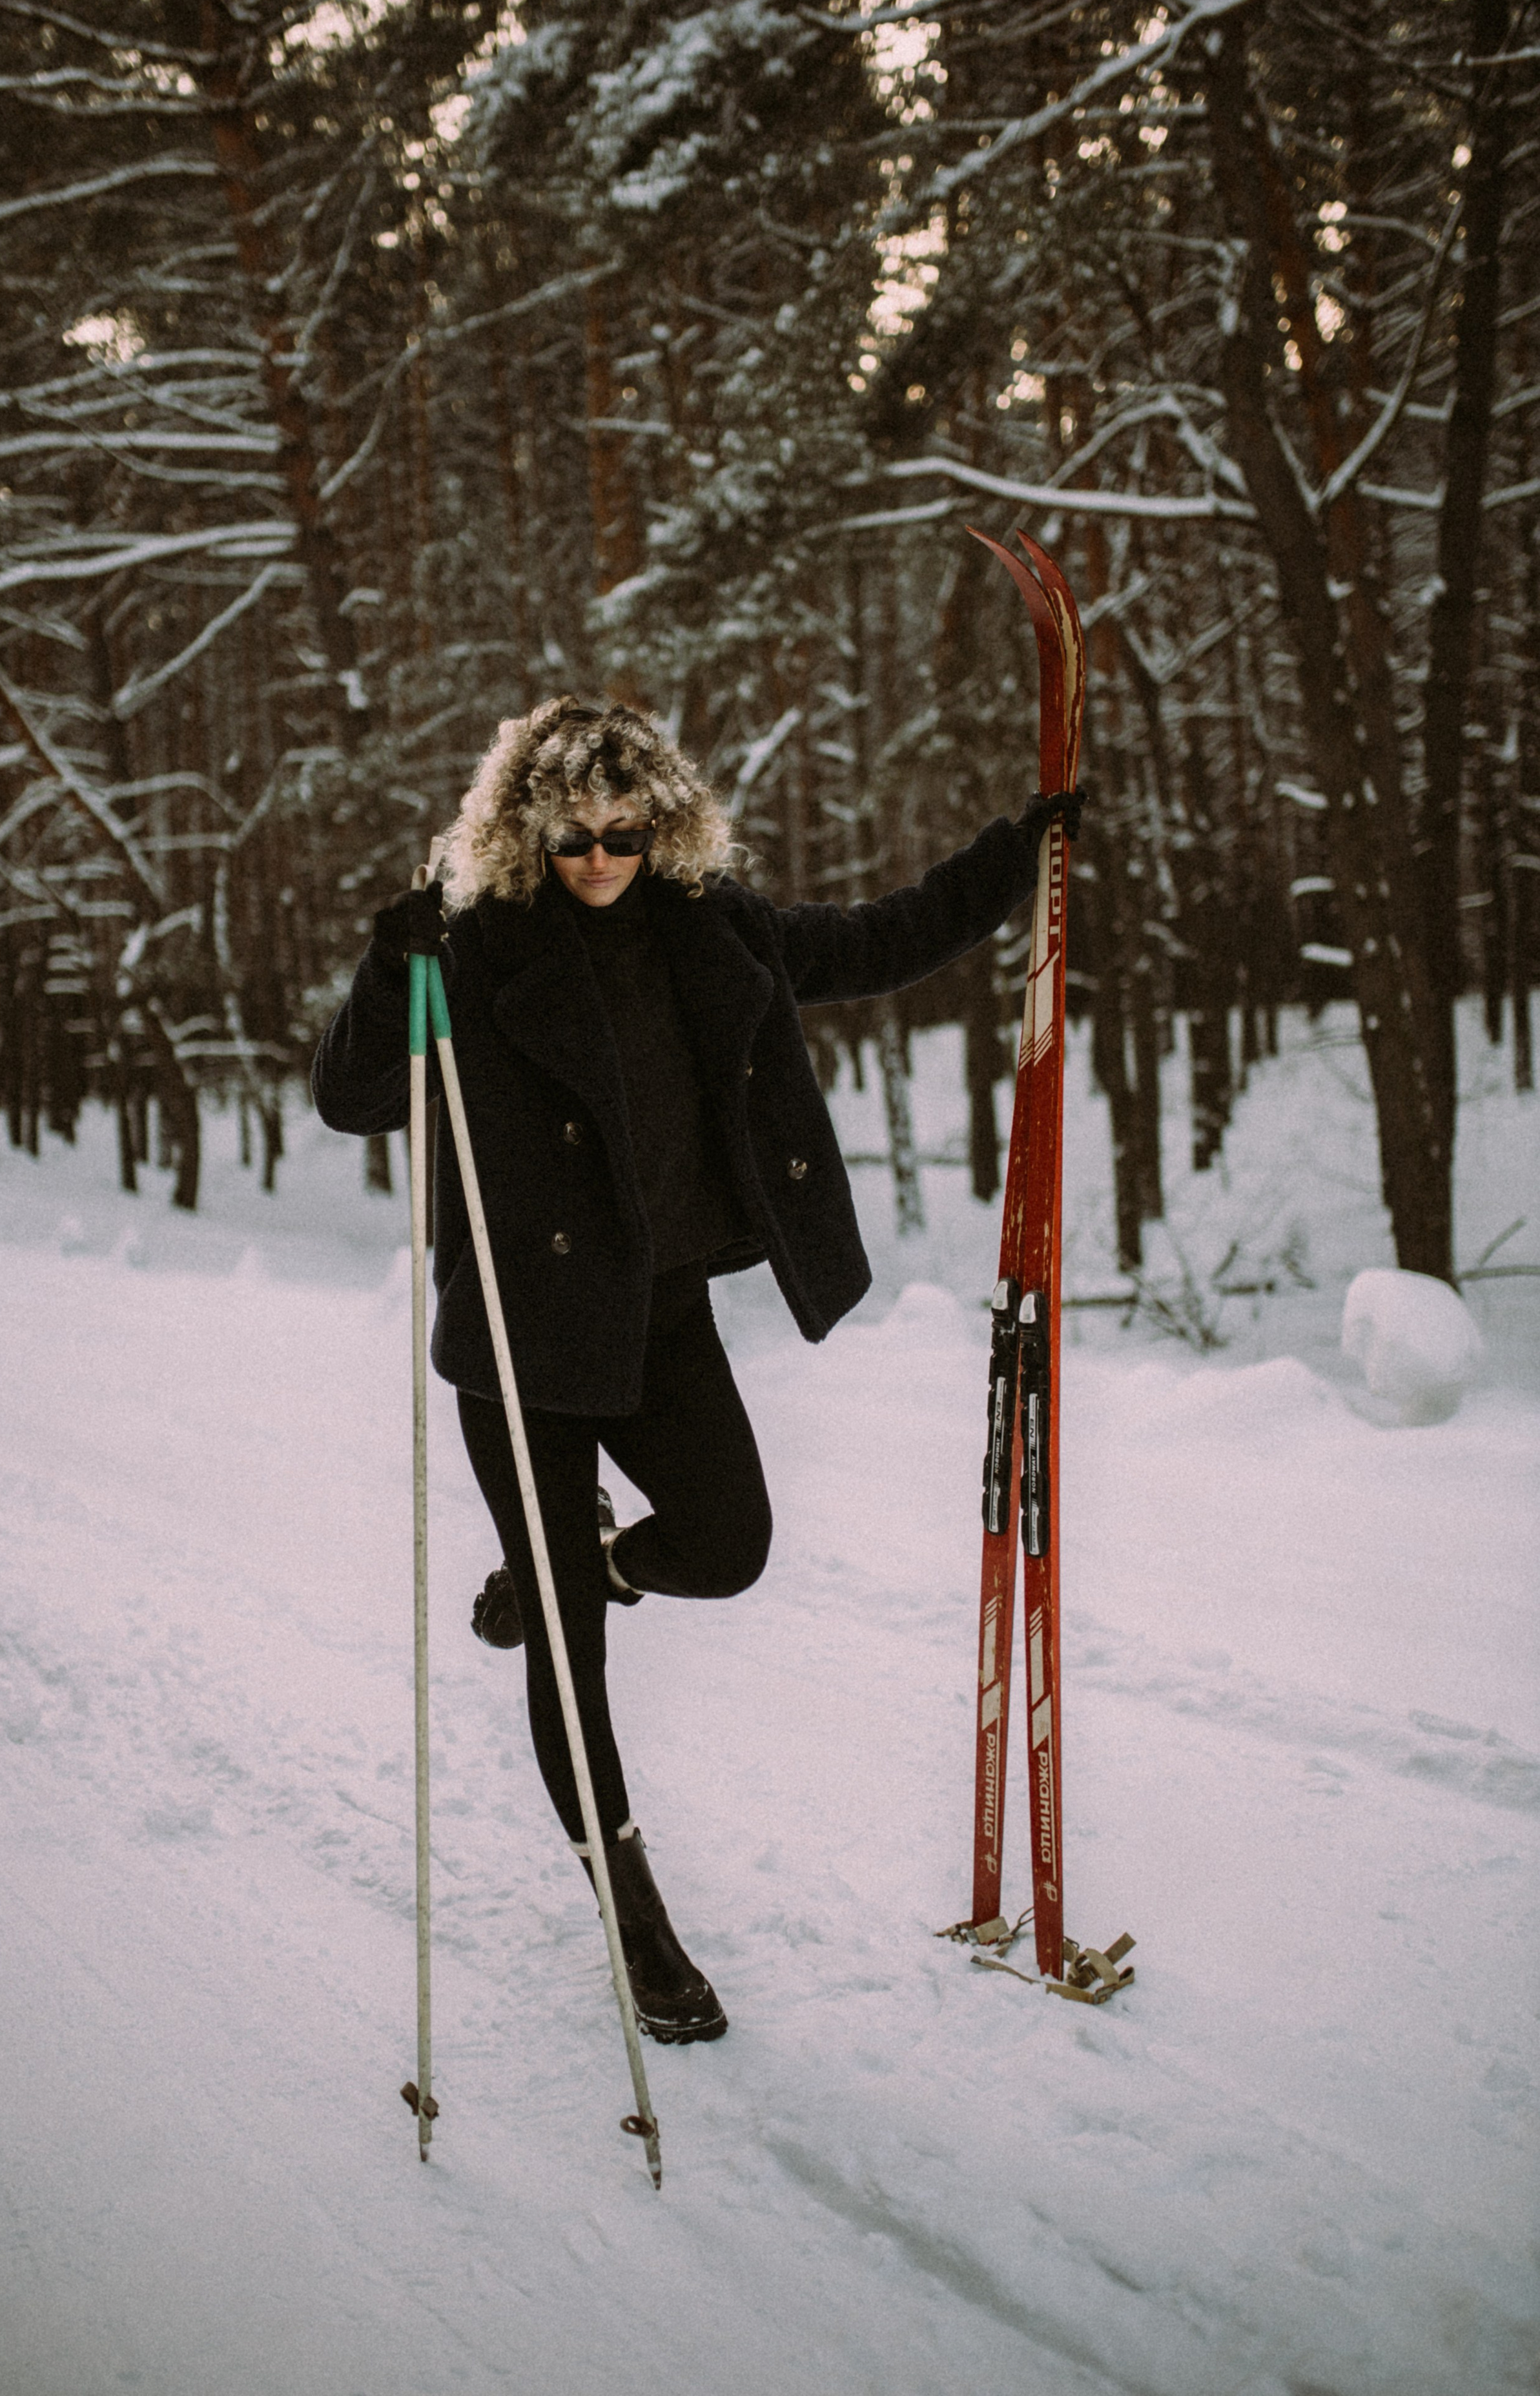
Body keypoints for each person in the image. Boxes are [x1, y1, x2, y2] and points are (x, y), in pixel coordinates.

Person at [312, 695, 1082, 2045]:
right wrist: (390, 969)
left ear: (657, 822)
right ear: (523, 831)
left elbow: (871, 943)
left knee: (729, 1542)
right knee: (571, 1650)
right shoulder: (474, 948)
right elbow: (351, 1094)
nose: (599, 860)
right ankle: (632, 1911)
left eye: (622, 832)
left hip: (659, 1318)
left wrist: (1006, 863)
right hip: (521, 1338)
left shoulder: (708, 925)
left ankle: (588, 1568)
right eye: (570, 840)